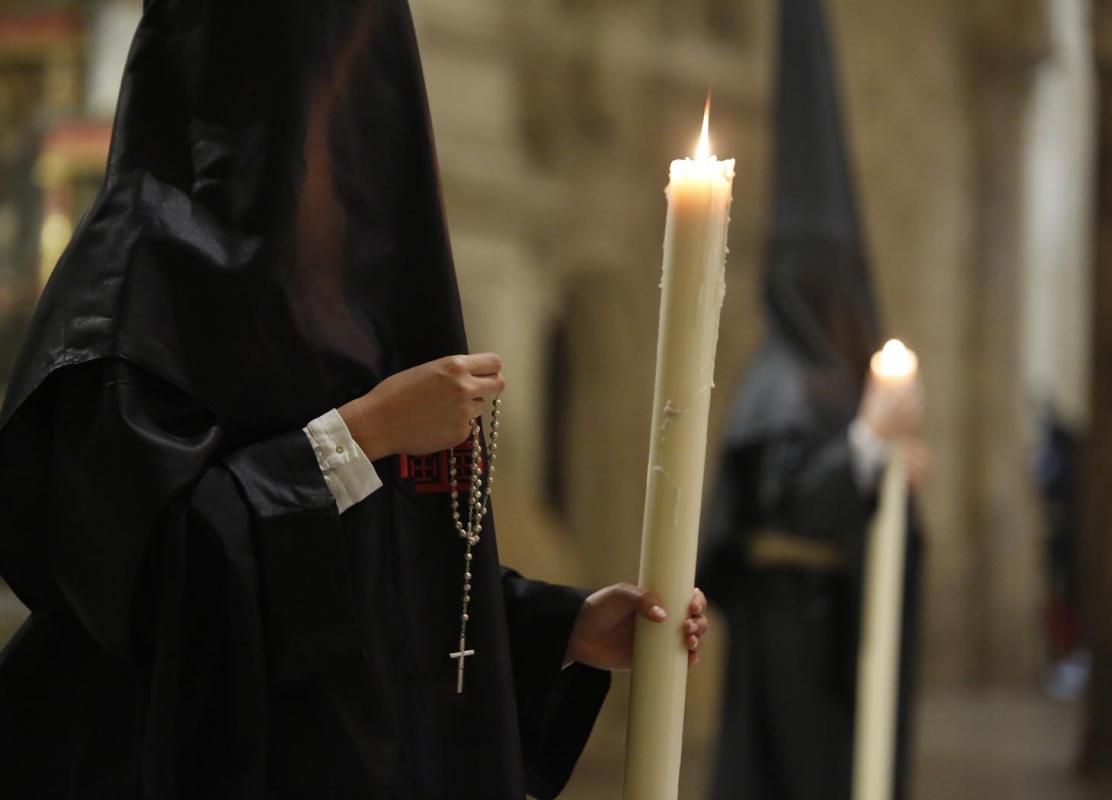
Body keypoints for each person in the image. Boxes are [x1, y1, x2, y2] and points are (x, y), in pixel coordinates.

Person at [0, 2, 708, 798]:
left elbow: (371, 579)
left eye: (365, 98)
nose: (350, 136)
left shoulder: (347, 301)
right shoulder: (128, 293)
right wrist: (357, 438)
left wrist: (557, 627)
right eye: (323, 96)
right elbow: (159, 598)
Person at [697, 0, 926, 797]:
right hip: (790, 635)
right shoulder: (780, 382)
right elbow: (788, 499)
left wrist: (895, 476)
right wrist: (867, 442)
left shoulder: (834, 377)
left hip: (837, 630)